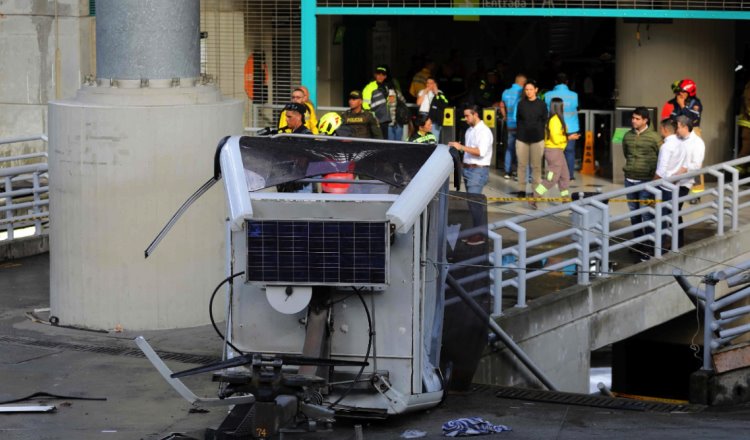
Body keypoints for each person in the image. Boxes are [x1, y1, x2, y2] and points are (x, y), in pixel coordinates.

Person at [448, 105, 493, 245]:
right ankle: (476, 233)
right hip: (468, 169)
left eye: (468, 116)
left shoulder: (484, 131)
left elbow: (481, 152)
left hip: (478, 170)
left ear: (475, 114)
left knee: (475, 204)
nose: (465, 119)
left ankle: (480, 235)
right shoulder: (469, 131)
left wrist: (460, 147)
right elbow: (469, 151)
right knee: (472, 203)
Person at [622, 107, 661, 246]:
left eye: (637, 119)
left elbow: (661, 156)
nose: (633, 121)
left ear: (645, 120)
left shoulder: (654, 137)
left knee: (647, 213)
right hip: (629, 179)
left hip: (647, 181)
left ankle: (651, 243)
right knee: (634, 212)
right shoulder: (627, 136)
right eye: (633, 118)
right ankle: (638, 242)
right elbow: (626, 154)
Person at [651, 118, 687, 257]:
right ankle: (673, 245)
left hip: (664, 188)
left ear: (665, 130)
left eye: (661, 129)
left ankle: (659, 248)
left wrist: (651, 184)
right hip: (675, 186)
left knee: (661, 218)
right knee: (672, 216)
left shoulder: (666, 147)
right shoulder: (682, 144)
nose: (660, 131)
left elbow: (661, 171)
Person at [533, 98, 578, 203]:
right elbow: (556, 138)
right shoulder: (555, 120)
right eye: (562, 105)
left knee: (564, 176)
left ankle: (565, 199)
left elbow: (558, 136)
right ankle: (534, 196)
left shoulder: (556, 119)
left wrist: (567, 136)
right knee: (551, 178)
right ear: (558, 107)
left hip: (558, 151)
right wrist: (568, 138)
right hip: (554, 152)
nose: (564, 107)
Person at [674, 115, 706, 246]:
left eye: (677, 126)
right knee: (670, 211)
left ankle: (678, 242)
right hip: (671, 181)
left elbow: (697, 165)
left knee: (674, 210)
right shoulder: (677, 139)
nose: (675, 129)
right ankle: (672, 240)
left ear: (685, 127)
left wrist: (684, 168)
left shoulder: (697, 143)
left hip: (684, 182)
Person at [515, 80, 547, 209]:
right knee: (522, 165)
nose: (528, 91)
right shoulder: (521, 104)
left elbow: (544, 119)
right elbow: (518, 119)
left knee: (536, 167)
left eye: (530, 89)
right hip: (522, 138)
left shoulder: (542, 104)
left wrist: (538, 130)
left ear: (536, 90)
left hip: (537, 138)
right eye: (526, 89)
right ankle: (521, 189)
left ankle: (536, 191)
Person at [545, 73, 580, 180]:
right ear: (567, 82)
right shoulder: (574, 95)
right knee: (569, 153)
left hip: (553, 127)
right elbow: (576, 107)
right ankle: (569, 176)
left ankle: (551, 177)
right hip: (571, 127)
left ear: (555, 82)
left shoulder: (547, 95)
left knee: (553, 157)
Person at [363, 65, 408, 141]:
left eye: (383, 74)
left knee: (385, 142)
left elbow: (392, 102)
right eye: (378, 74)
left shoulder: (387, 87)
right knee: (375, 142)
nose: (380, 76)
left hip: (385, 121)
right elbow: (365, 105)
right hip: (375, 120)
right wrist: (372, 117)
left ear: (385, 76)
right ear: (375, 75)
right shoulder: (369, 87)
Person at [499, 73, 527, 179]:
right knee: (520, 149)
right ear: (523, 83)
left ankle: (507, 171)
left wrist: (505, 116)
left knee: (509, 148)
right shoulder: (522, 92)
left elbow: (501, 105)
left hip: (509, 123)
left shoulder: (506, 92)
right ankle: (516, 171)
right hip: (520, 124)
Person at [417, 77, 448, 141]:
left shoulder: (439, 92)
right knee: (423, 135)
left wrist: (436, 93)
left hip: (434, 116)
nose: (428, 84)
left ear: (435, 84)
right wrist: (425, 92)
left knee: (434, 135)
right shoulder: (422, 91)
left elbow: (443, 104)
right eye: (427, 83)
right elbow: (418, 103)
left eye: (431, 83)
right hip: (423, 114)